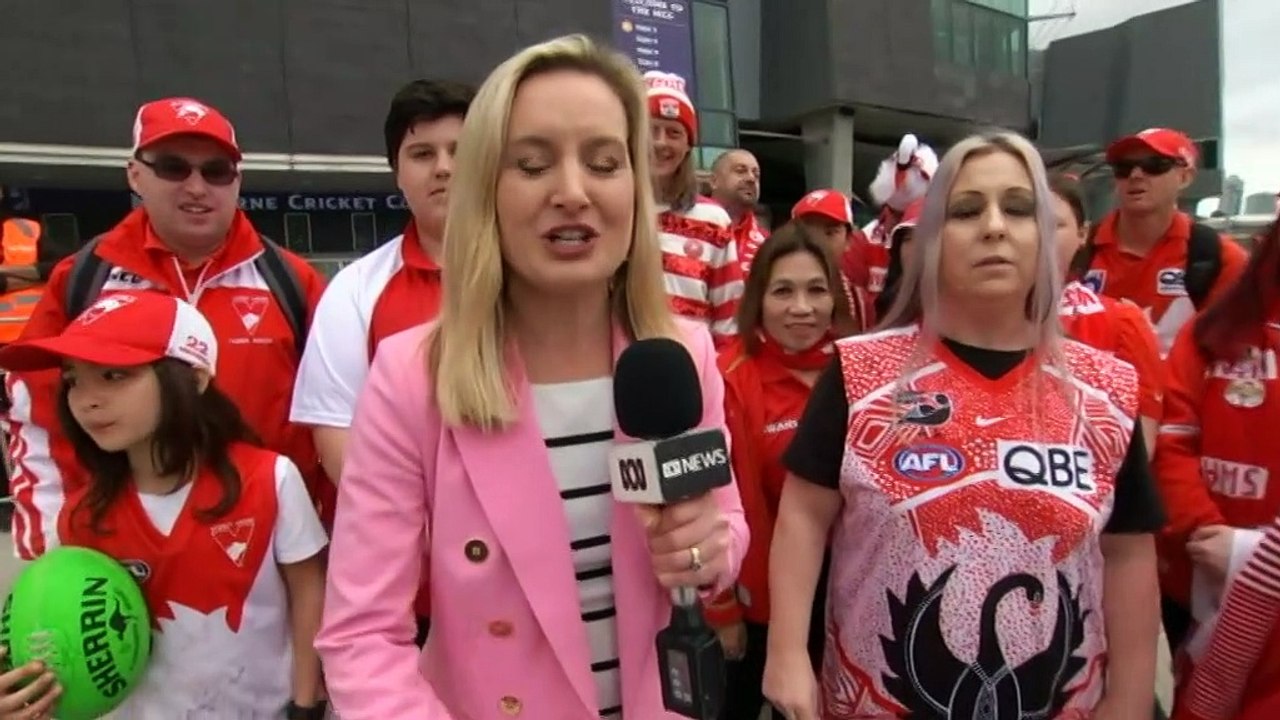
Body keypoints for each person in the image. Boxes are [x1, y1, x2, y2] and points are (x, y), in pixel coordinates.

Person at [314, 35, 746, 719]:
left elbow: (723, 530)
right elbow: (362, 634)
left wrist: (707, 548)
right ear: (486, 187)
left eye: (604, 163)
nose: (572, 193)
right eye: (533, 164)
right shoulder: (409, 378)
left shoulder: (681, 356)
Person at [763, 132, 1165, 719]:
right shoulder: (859, 373)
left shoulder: (1104, 391)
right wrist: (787, 653)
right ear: (930, 240)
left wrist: (1129, 697)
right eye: (967, 209)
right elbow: (802, 516)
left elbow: (1129, 553)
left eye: (1019, 208)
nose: (995, 227)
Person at [2, 97, 328, 561]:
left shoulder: (293, 282)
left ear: (238, 181)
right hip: (125, 552)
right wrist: (53, 554)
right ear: (135, 174)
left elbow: (339, 418)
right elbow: (36, 418)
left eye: (216, 171)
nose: (197, 187)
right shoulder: (84, 280)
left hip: (269, 549)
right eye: (174, 168)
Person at [0, 290, 328, 719]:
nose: (87, 399)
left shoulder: (270, 479)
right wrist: (24, 687)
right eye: (73, 379)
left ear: (192, 378)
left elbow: (309, 592)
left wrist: (307, 703)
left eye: (114, 375)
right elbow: (55, 630)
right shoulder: (82, 516)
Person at [290, 79, 474, 647]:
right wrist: (433, 540)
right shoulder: (355, 291)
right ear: (397, 173)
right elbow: (337, 440)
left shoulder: (541, 278)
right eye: (422, 154)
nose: (443, 168)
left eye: (460, 151)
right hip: (409, 591)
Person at [704, 222, 858, 720]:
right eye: (783, 291)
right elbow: (719, 502)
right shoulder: (731, 378)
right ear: (758, 299)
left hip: (851, 602)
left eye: (816, 290)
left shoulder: (862, 374)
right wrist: (723, 609)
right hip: (761, 608)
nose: (801, 308)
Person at [1157, 217, 1280, 714]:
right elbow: (1170, 441)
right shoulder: (1211, 330)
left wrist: (1252, 556)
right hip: (1197, 577)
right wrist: (1208, 537)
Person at [1080, 128, 1247, 355]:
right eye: (1123, 168)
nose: (1136, 175)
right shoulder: (1077, 250)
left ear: (1185, 177)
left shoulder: (1221, 258)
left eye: (1154, 165)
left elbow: (1231, 352)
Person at [1051, 173, 1163, 455]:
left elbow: (1140, 450)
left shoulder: (1122, 322)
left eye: (1054, 225)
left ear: (1082, 234)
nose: (1039, 235)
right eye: (1028, 221)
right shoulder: (961, 318)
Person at [644, 70, 743, 347]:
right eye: (652, 130)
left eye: (674, 132)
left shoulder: (713, 219)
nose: (661, 142)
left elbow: (729, 314)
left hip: (693, 368)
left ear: (688, 145)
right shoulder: (612, 210)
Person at [790, 189, 874, 331]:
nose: (818, 241)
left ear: (848, 240)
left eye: (830, 233)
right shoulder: (770, 291)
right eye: (807, 232)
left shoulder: (860, 302)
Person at [707, 148, 767, 273]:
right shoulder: (687, 226)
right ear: (714, 181)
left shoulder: (766, 243)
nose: (751, 178)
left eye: (756, 175)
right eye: (740, 171)